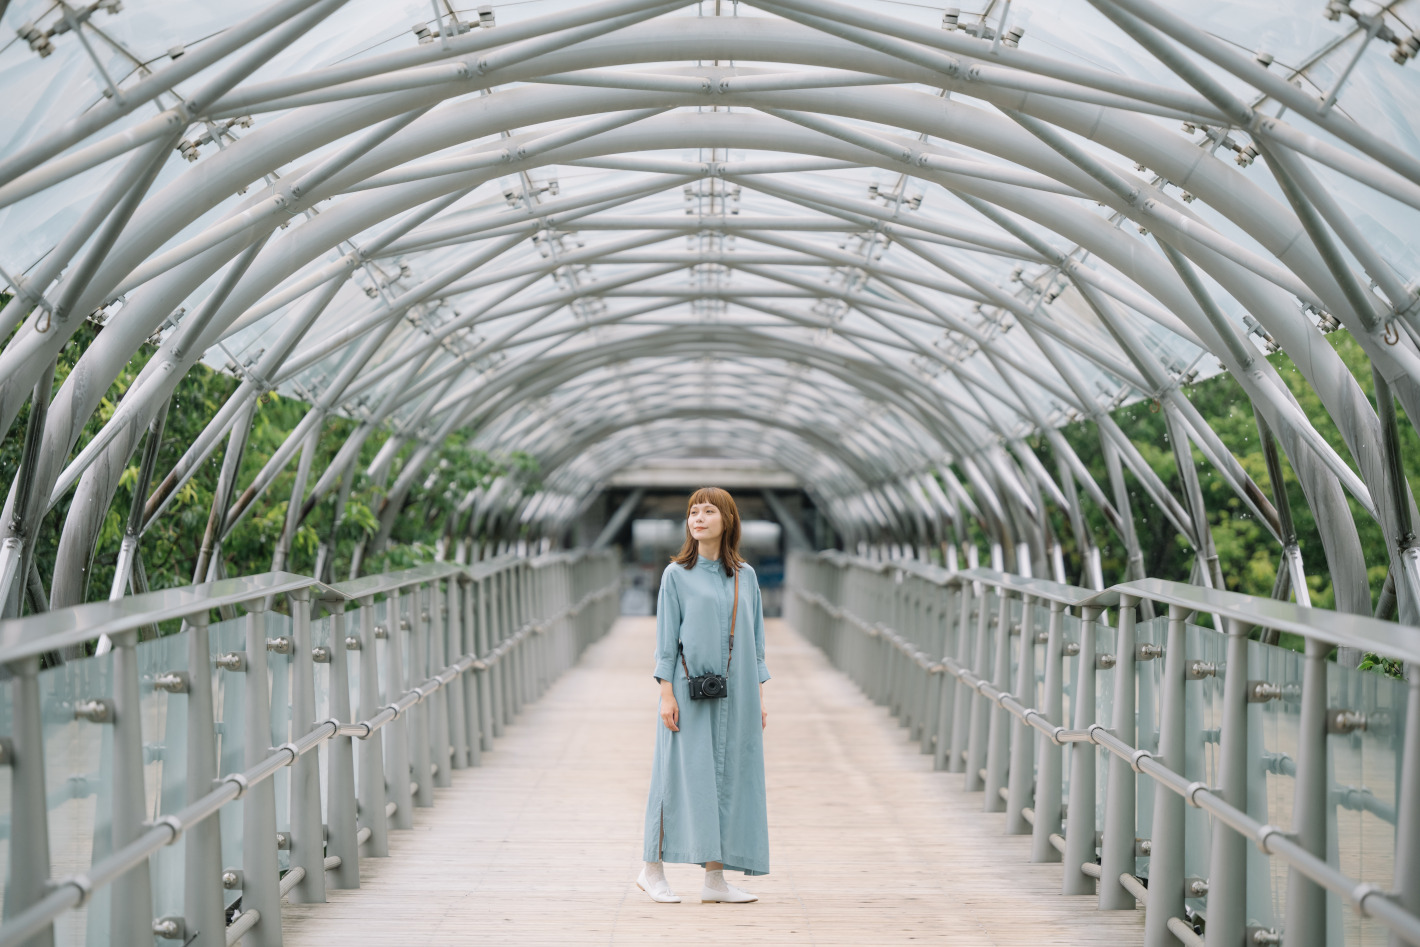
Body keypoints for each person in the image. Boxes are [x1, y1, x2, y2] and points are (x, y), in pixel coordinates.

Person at [636, 487, 770, 904]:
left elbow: (756, 640)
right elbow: (665, 641)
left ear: (727, 520)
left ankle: (716, 881)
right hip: (687, 691)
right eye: (693, 511)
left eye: (709, 511)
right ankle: (651, 869)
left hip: (740, 693)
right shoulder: (675, 575)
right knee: (675, 774)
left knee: (730, 777)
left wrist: (760, 696)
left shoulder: (745, 577)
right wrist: (666, 694)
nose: (698, 518)